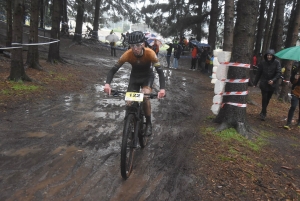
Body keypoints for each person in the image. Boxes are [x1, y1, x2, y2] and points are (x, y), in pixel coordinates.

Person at [103, 31, 166, 136]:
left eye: (138, 45)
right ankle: (130, 121)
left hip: (147, 77)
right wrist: (107, 84)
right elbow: (113, 70)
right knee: (129, 102)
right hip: (135, 78)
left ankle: (149, 123)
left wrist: (162, 89)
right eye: (132, 45)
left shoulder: (150, 53)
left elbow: (160, 72)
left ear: (143, 44)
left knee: (145, 97)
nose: (135, 48)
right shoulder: (127, 54)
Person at [253, 49, 281, 121]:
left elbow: (278, 73)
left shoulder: (277, 63)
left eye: (270, 55)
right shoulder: (262, 63)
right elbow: (258, 73)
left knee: (268, 99)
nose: (269, 57)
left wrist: (273, 80)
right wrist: (255, 83)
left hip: (272, 84)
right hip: (264, 83)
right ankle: (264, 113)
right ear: (266, 56)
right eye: (268, 55)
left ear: (273, 56)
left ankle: (263, 110)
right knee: (264, 98)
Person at [284, 61, 300, 129]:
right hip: (295, 91)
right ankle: (288, 122)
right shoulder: (296, 69)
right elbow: (292, 81)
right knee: (293, 106)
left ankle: (299, 122)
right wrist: (295, 79)